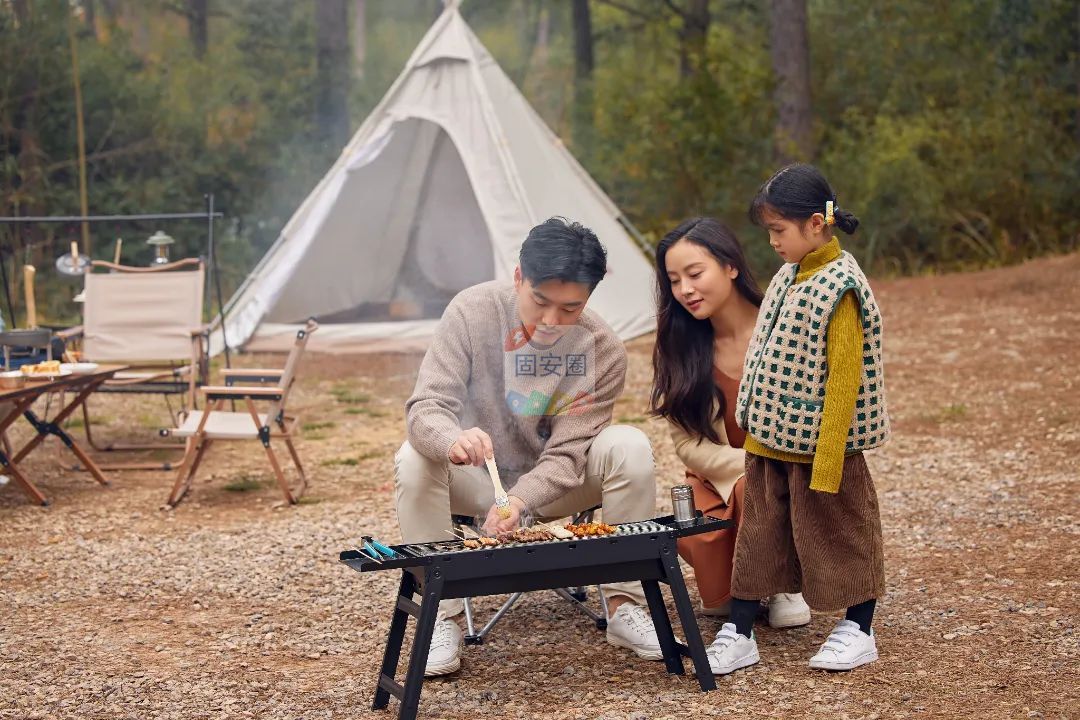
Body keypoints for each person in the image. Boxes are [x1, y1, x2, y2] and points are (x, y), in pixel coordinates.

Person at [395, 217, 659, 677]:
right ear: (519, 277)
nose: (551, 322)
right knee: (412, 457)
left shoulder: (602, 349)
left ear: (590, 298)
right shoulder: (472, 311)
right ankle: (443, 615)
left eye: (571, 309)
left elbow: (569, 455)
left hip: (559, 485)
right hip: (477, 480)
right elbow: (426, 408)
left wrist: (520, 499)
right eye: (540, 301)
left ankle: (624, 605)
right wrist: (452, 438)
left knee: (630, 445)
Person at [706, 164, 890, 675]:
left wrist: (829, 457)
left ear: (815, 223)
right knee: (759, 538)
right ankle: (740, 630)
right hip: (770, 443)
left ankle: (860, 626)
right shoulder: (790, 274)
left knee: (842, 534)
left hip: (822, 447)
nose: (771, 242)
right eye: (768, 231)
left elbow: (844, 380)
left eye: (778, 230)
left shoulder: (842, 286)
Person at [649, 217, 811, 631]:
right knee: (720, 601)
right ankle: (743, 579)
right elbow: (688, 444)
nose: (685, 289)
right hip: (717, 476)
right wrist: (748, 462)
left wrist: (772, 462)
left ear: (731, 266)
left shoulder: (783, 328)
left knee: (756, 487)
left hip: (786, 467)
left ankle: (783, 583)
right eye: (674, 280)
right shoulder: (679, 345)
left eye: (695, 273)